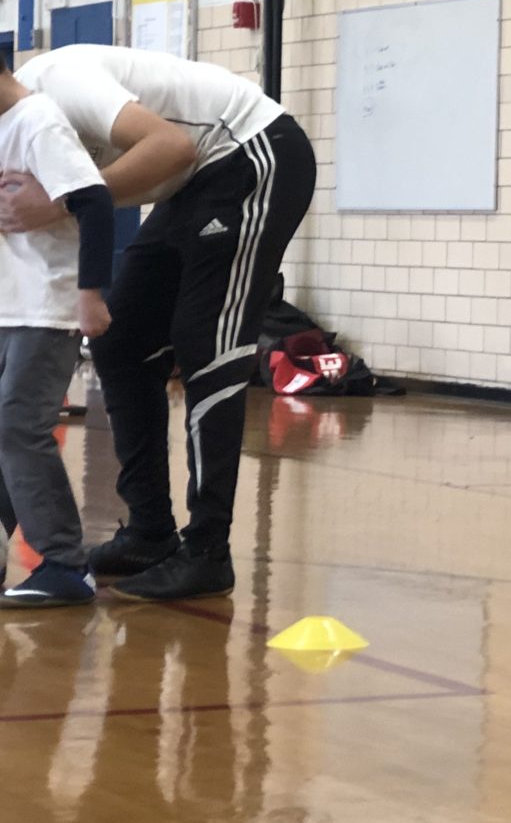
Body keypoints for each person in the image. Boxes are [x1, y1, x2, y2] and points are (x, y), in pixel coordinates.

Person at [0, 44, 316, 602]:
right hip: (192, 182)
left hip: (254, 152)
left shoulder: (60, 85)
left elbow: (174, 146)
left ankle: (207, 551)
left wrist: (60, 205)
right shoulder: (16, 126)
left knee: (207, 346)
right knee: (120, 345)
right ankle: (150, 533)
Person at [0, 53, 116, 607]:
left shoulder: (39, 120)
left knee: (18, 427)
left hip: (46, 308)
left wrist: (91, 295)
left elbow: (94, 202)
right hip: (8, 306)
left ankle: (66, 565)